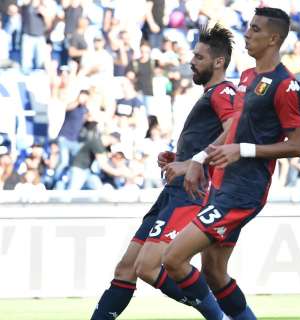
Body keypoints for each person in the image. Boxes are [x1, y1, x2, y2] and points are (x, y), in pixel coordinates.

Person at [162, 7, 300, 320]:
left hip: (244, 192)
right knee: (213, 272)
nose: (247, 33)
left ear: (274, 38)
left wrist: (244, 151)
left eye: (255, 29)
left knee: (173, 259)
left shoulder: (286, 85)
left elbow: (297, 146)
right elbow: (233, 128)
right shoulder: (247, 77)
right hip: (222, 185)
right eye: (249, 27)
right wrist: (198, 159)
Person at [90, 24, 236, 320]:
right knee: (127, 269)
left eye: (198, 56)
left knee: (149, 266)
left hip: (192, 192)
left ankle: (219, 316)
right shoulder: (210, 94)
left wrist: (192, 162)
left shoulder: (224, 92)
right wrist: (178, 157)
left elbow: (234, 130)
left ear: (218, 62)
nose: (191, 61)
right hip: (173, 192)